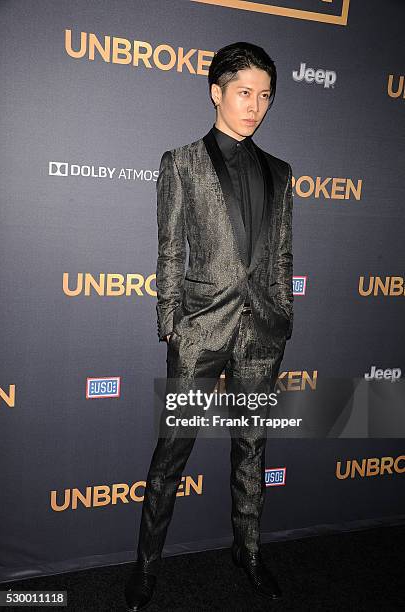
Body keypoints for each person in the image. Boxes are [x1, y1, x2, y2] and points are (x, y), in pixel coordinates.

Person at [125, 41, 294, 611]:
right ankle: (146, 568)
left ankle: (247, 554)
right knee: (171, 455)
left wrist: (281, 315)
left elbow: (281, 257)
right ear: (216, 92)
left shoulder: (281, 172)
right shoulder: (181, 163)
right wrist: (171, 325)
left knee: (252, 450)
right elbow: (170, 252)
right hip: (200, 333)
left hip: (261, 336)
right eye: (245, 92)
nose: (256, 105)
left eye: (265, 95)